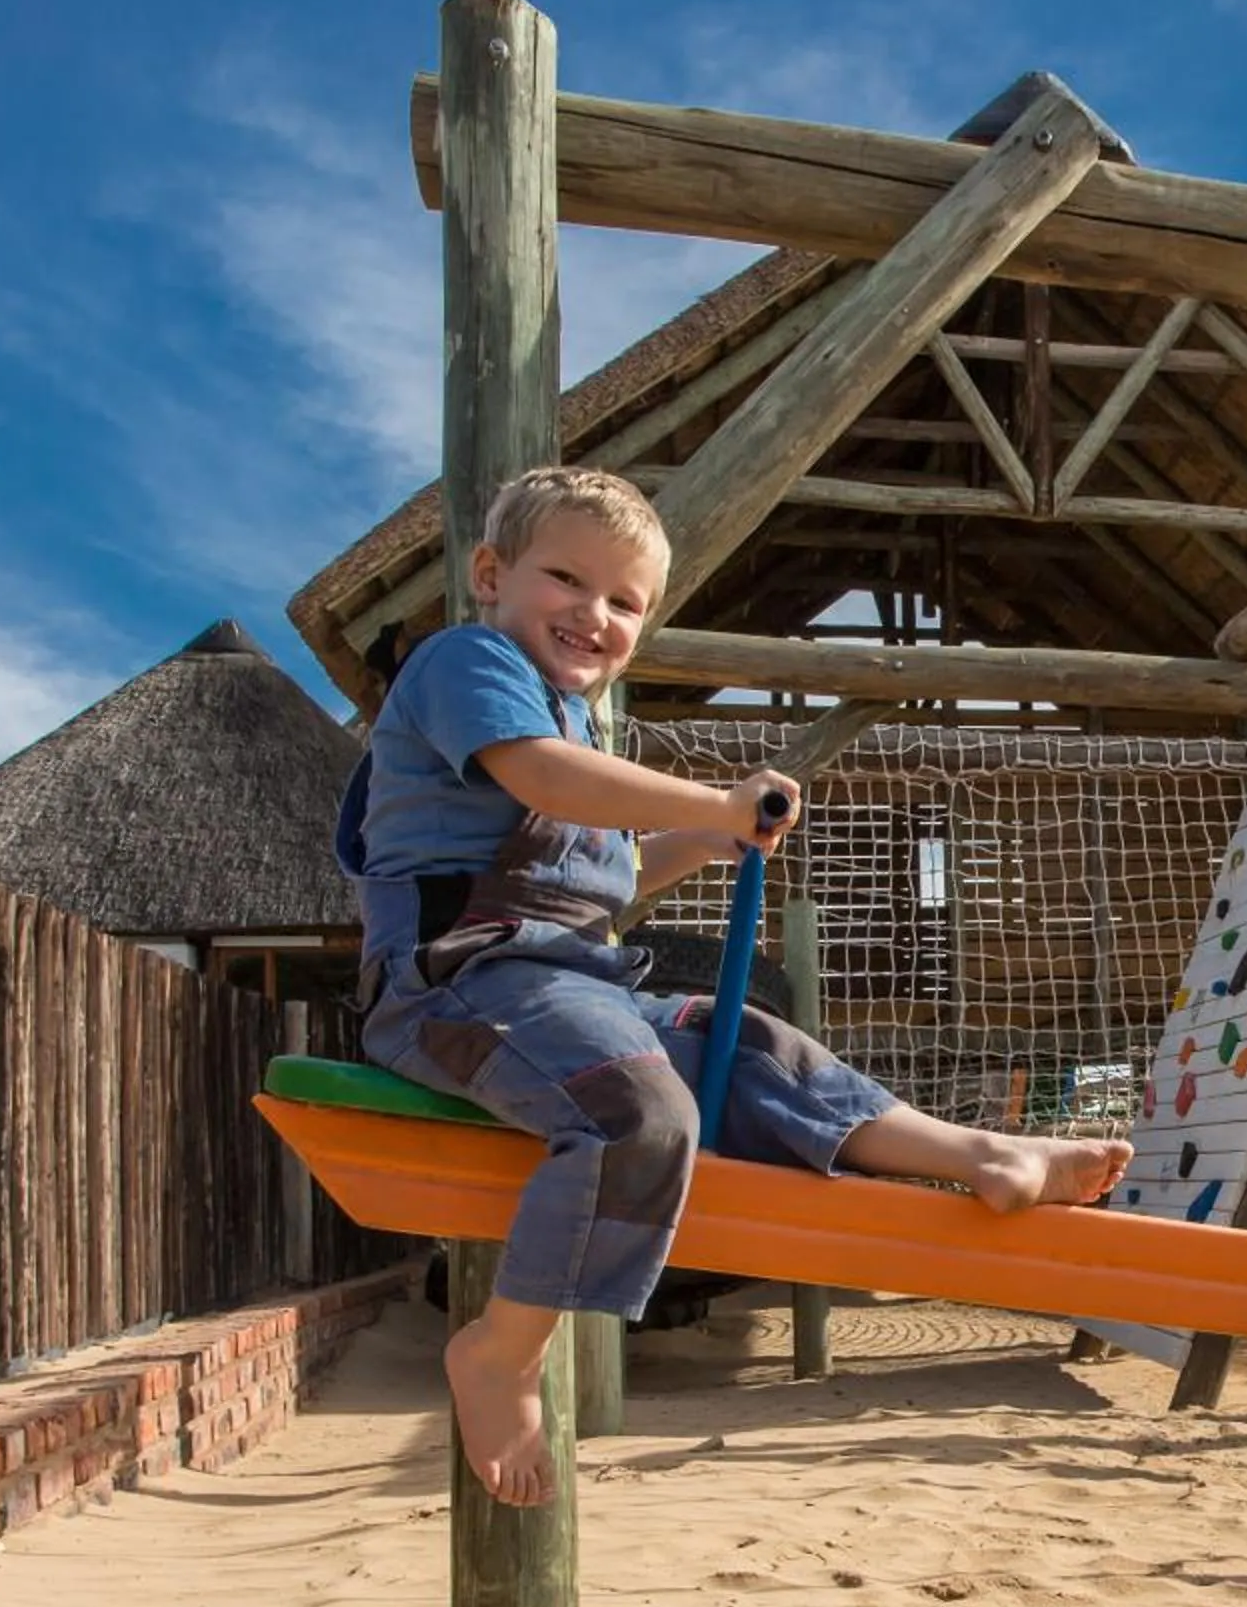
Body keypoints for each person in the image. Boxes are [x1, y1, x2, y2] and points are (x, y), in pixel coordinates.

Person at [336, 466, 1132, 1507]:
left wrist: (711, 837)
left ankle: (982, 1152)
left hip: (563, 979)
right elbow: (541, 780)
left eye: (625, 602)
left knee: (747, 1041)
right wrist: (713, 798)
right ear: (491, 574)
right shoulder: (467, 663)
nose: (594, 613)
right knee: (638, 1107)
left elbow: (607, 881)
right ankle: (503, 1348)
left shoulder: (581, 729)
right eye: (566, 578)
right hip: (453, 984)